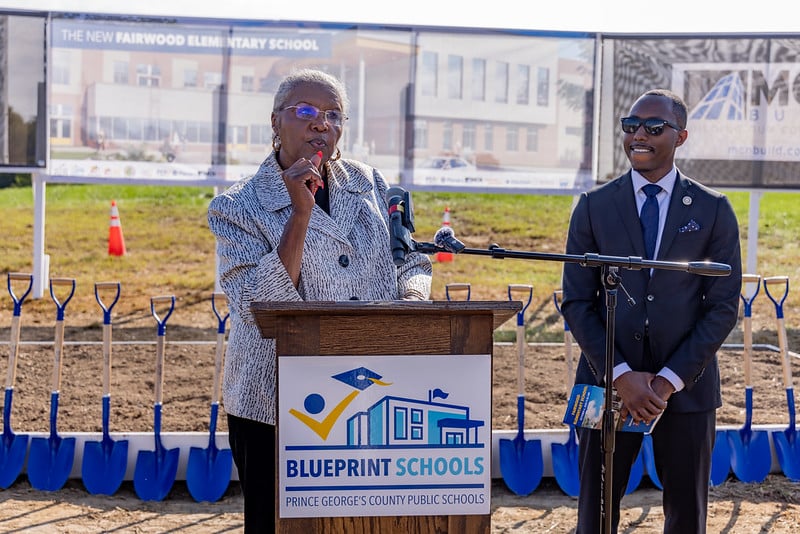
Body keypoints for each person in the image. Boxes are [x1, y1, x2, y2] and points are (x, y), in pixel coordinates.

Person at [207, 68, 432, 532]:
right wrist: (300, 213)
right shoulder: (237, 206)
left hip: (371, 394)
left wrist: (411, 305)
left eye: (334, 115)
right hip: (276, 407)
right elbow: (260, 304)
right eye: (306, 111)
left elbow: (410, 260)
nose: (320, 124)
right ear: (275, 123)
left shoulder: (369, 183)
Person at [561, 89, 742, 534]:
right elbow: (577, 301)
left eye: (653, 127)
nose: (638, 135)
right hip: (605, 384)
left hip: (685, 389)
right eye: (631, 125)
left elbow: (721, 308)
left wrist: (664, 382)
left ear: (680, 136)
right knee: (595, 514)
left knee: (686, 516)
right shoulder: (593, 206)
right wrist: (622, 376)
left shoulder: (713, 209)